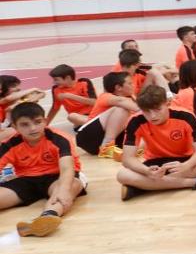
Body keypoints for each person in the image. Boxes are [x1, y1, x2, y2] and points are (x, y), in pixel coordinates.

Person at [0, 102, 86, 238]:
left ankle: (46, 218)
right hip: (27, 180)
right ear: (15, 127)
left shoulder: (59, 138)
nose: (33, 128)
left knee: (67, 189)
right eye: (25, 124)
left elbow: (67, 168)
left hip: (58, 177)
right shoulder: (10, 144)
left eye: (37, 122)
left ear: (45, 121)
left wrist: (63, 190)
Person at [117, 84, 196, 200]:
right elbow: (127, 159)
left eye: (157, 109)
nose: (152, 116)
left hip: (185, 160)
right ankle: (194, 182)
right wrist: (146, 171)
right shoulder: (135, 121)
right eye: (146, 111)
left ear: (168, 103)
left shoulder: (185, 116)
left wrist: (186, 166)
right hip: (155, 164)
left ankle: (140, 187)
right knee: (122, 175)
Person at [76, 71, 138, 160]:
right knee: (122, 109)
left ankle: (108, 147)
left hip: (107, 140)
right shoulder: (106, 96)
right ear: (118, 87)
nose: (133, 85)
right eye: (130, 83)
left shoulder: (131, 98)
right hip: (88, 136)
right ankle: (106, 146)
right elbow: (123, 103)